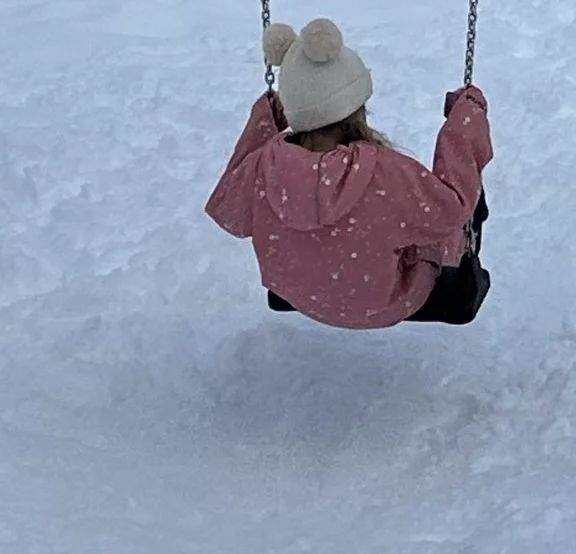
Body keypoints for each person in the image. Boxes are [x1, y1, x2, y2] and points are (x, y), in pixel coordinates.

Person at [207, 17, 493, 328]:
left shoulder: (262, 168)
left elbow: (229, 211)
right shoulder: (384, 174)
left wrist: (263, 118)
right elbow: (450, 210)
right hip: (384, 302)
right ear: (356, 106)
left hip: (299, 294)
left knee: (394, 217)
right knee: (445, 220)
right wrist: (467, 119)